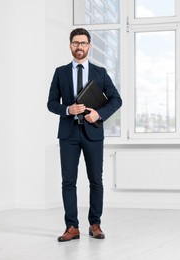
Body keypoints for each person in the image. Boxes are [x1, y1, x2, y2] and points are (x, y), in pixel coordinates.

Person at [47, 28, 122, 242]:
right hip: (68, 134)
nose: (79, 46)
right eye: (75, 43)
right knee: (68, 181)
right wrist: (68, 110)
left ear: (89, 46)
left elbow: (116, 99)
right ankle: (72, 227)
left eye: (83, 43)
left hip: (93, 133)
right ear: (70, 45)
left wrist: (99, 114)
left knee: (95, 180)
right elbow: (51, 103)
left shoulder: (100, 72)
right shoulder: (60, 72)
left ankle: (95, 224)